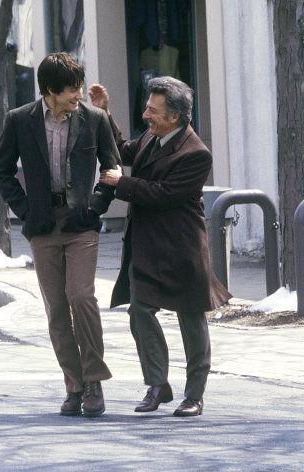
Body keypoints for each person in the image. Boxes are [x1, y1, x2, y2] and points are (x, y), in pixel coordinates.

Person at [89, 77, 231, 417]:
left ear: (175, 117)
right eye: (147, 107)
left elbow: (163, 194)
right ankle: (157, 385)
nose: (146, 115)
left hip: (182, 247)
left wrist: (120, 183)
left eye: (153, 110)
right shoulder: (152, 138)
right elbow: (124, 149)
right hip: (147, 244)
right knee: (139, 312)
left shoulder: (196, 153)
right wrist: (105, 113)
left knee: (191, 318)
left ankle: (194, 395)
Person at [0, 52, 121, 417]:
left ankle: (94, 379)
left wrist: (96, 207)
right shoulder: (19, 121)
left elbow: (112, 167)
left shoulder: (94, 119)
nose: (78, 95)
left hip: (81, 223)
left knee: (81, 296)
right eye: (71, 89)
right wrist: (25, 210)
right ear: (49, 90)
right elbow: (1, 171)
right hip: (42, 224)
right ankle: (74, 385)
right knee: (56, 309)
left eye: (80, 87)